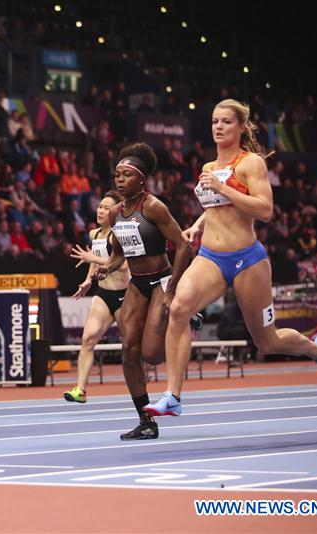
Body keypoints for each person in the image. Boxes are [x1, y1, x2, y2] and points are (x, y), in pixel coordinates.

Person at [147, 99, 317, 417]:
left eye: (225, 122)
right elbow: (214, 209)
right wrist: (195, 225)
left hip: (248, 260)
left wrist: (225, 188)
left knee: (267, 342)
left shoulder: (251, 164)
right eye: (214, 121)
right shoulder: (207, 168)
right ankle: (172, 396)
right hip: (210, 256)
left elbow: (265, 210)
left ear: (240, 127)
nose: (218, 127)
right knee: (178, 307)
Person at [94, 144, 192, 439]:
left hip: (161, 279)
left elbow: (184, 244)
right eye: (117, 175)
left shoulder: (153, 207)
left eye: (126, 175)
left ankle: (186, 316)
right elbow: (118, 255)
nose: (120, 180)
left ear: (141, 179)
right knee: (129, 352)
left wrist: (175, 284)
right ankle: (146, 421)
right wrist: (108, 268)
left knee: (151, 355)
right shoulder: (114, 214)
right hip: (137, 283)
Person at [63, 190, 128, 403]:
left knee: (131, 345)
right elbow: (94, 261)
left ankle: (138, 388)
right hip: (103, 294)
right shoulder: (95, 234)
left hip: (124, 295)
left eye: (107, 207)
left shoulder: (120, 235)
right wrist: (88, 281)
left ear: (117, 211)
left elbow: (124, 265)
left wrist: (94, 258)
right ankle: (80, 390)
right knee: (88, 338)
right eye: (100, 206)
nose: (101, 210)